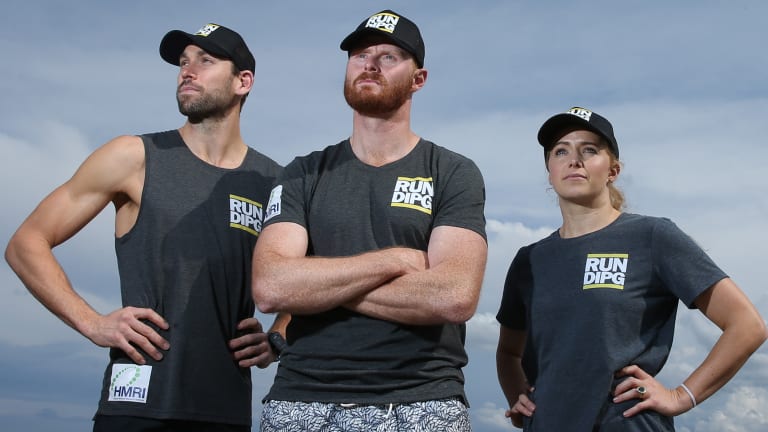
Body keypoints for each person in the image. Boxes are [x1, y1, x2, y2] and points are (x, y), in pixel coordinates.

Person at [5, 23, 283, 431]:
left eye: (205, 61)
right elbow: (25, 243)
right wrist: (92, 322)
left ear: (244, 82)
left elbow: (308, 275)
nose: (187, 71)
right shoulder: (134, 156)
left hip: (226, 409)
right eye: (183, 62)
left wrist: (278, 338)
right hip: (136, 406)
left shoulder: (272, 181)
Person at [251, 9, 488, 432]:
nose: (370, 63)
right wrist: (395, 260)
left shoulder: (451, 171)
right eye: (360, 54)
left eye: (389, 56)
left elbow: (453, 296)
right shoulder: (303, 173)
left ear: (419, 79)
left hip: (421, 401)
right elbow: (271, 287)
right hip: (302, 400)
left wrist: (318, 286)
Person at [495, 107, 767, 431]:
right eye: (561, 150)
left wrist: (682, 396)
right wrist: (518, 396)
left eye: (590, 150)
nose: (574, 159)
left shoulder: (652, 237)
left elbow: (747, 326)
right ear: (550, 170)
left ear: (613, 170)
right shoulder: (529, 261)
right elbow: (509, 351)